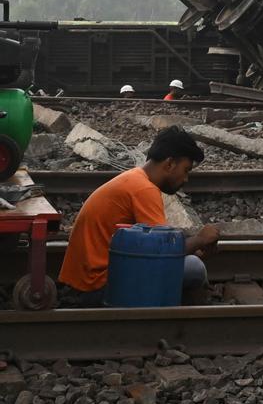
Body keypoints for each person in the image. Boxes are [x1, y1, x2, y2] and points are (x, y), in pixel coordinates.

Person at [58, 126, 220, 306]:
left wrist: (195, 247)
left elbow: (149, 246)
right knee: (194, 268)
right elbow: (163, 251)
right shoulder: (144, 189)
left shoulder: (134, 179)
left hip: (87, 283)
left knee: (189, 260)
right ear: (170, 164)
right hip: (100, 287)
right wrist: (199, 240)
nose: (185, 179)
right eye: (186, 170)